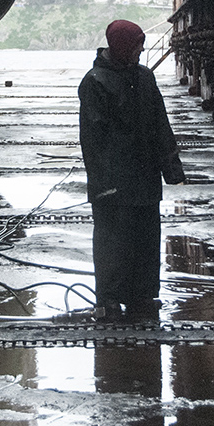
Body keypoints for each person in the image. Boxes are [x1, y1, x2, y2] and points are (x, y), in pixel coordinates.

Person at [79, 20, 187, 320]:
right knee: (112, 241)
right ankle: (109, 299)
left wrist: (171, 165)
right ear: (122, 47)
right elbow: (92, 140)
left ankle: (143, 294)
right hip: (114, 182)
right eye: (137, 45)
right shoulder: (95, 82)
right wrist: (102, 183)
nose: (141, 50)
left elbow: (160, 123)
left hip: (145, 178)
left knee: (146, 238)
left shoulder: (144, 77)